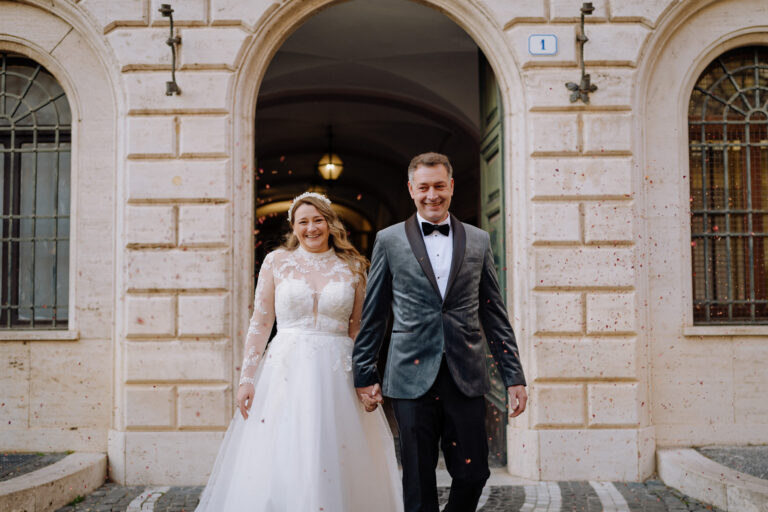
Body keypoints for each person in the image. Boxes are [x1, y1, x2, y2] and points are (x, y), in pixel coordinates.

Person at [196, 192, 402, 512]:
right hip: (285, 372)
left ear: (330, 223)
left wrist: (367, 376)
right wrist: (247, 379)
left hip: (338, 374)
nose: (311, 228)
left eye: (318, 220)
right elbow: (261, 323)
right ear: (293, 227)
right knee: (283, 453)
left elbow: (358, 330)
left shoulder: (354, 267)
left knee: (336, 452)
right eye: (303, 222)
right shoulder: (277, 262)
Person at [353, 152, 528, 512]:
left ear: (450, 186)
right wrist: (364, 373)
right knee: (418, 477)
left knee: (474, 472)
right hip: (409, 375)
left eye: (438, 186)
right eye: (423, 187)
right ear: (411, 190)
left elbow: (494, 312)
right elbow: (374, 315)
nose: (431, 195)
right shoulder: (389, 240)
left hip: (465, 373)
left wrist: (514, 376)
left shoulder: (478, 240)